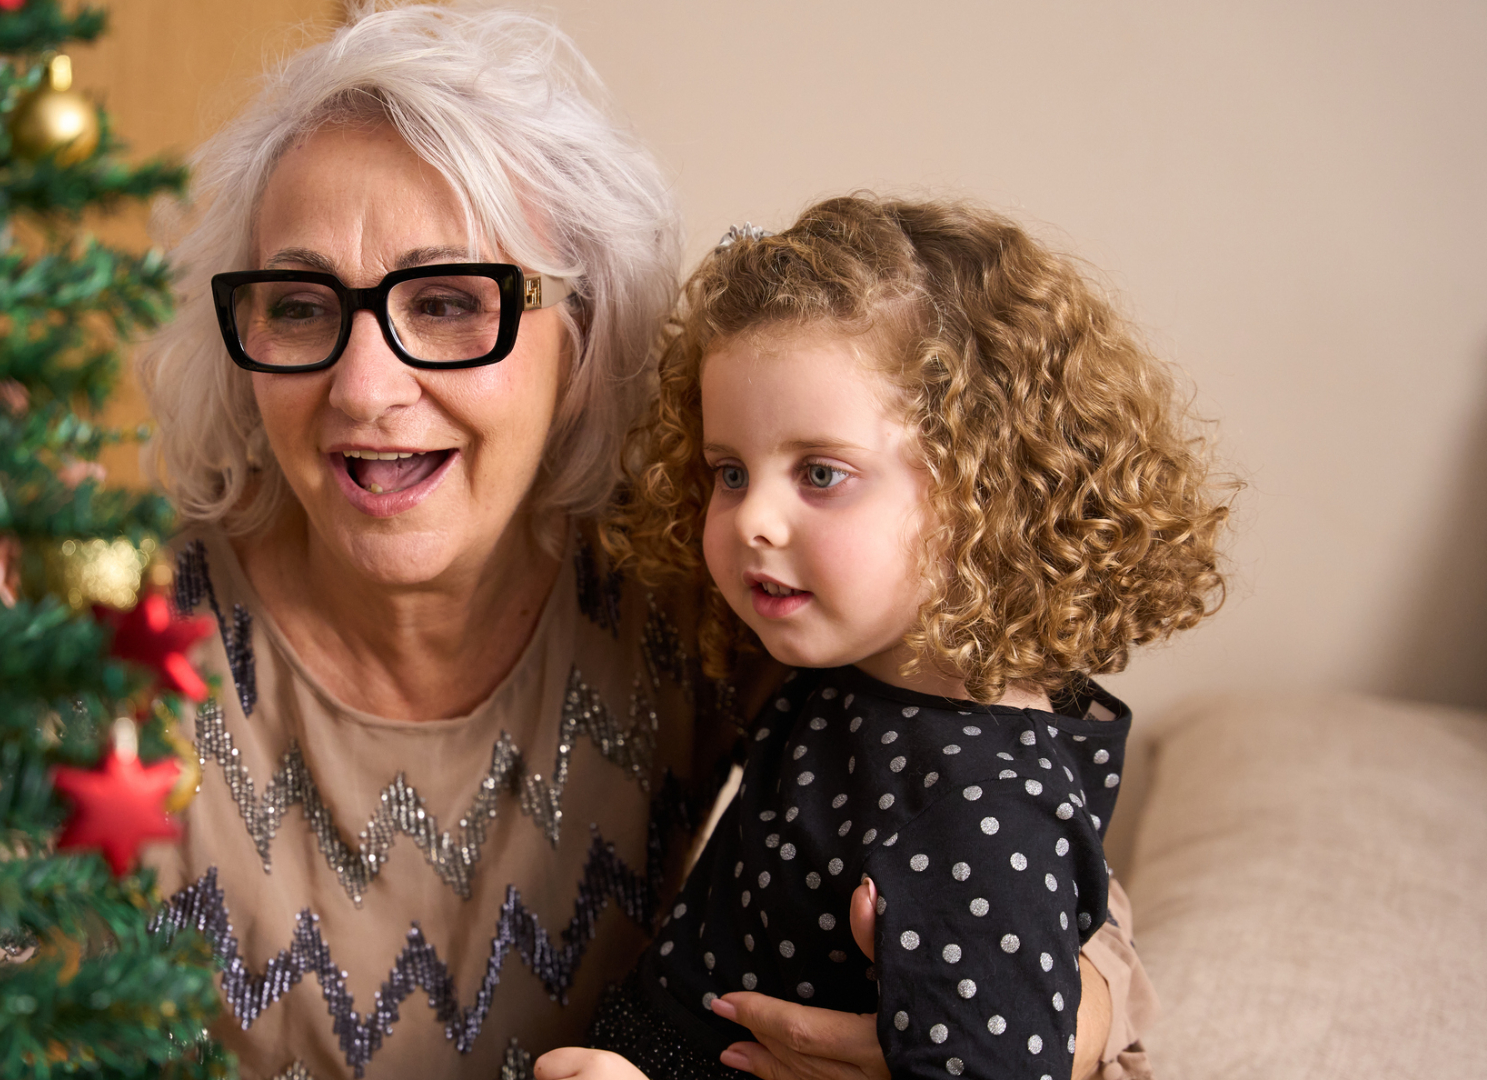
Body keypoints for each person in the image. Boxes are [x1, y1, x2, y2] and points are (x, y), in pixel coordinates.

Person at [136, 8, 1152, 1078]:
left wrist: (1016, 1037)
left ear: (580, 333)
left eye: (445, 302)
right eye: (298, 307)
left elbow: (1045, 866)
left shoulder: (694, 588)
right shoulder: (113, 633)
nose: (363, 387)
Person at [535, 195, 1229, 1080]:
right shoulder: (850, 660)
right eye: (730, 472)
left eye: (821, 474)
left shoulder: (977, 806)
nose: (753, 518)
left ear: (987, 489)